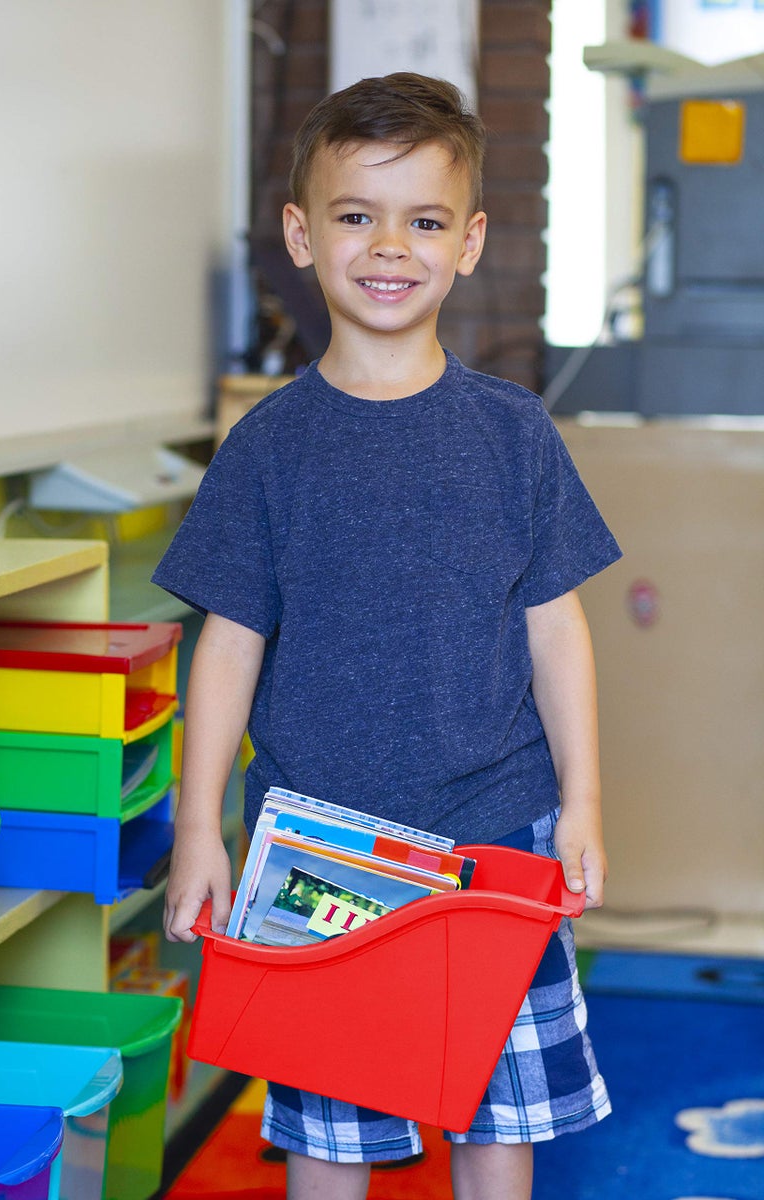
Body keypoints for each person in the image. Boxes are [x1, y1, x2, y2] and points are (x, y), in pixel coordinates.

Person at [153, 71, 621, 1200]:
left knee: (494, 1113)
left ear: (466, 244)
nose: (387, 247)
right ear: (300, 234)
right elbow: (225, 644)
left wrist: (585, 802)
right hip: (318, 844)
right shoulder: (266, 447)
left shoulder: (511, 432)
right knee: (325, 1130)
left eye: (421, 221)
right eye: (357, 216)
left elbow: (555, 629)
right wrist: (198, 830)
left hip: (493, 835)